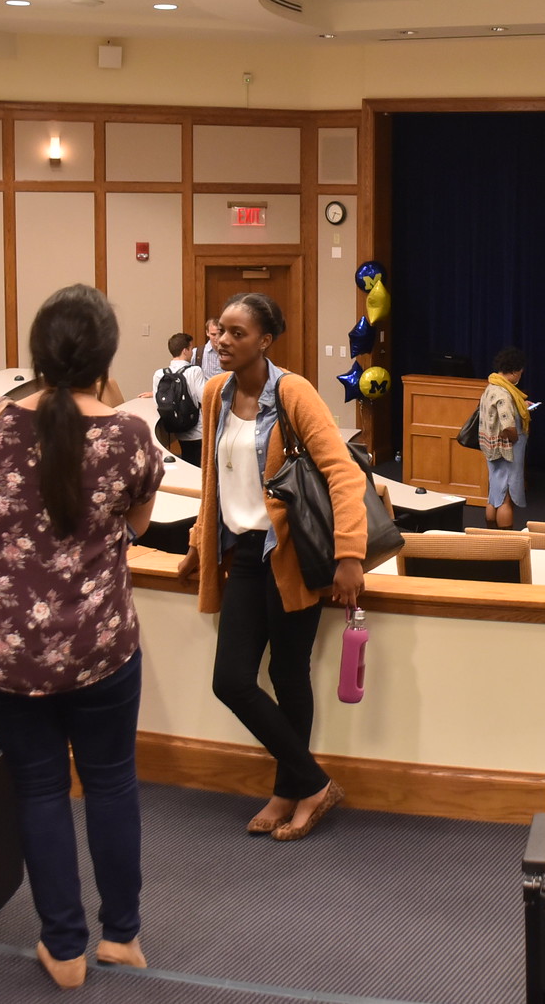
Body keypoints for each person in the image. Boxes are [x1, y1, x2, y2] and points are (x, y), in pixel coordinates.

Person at [0, 284, 161, 989]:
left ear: (36, 351)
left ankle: (64, 947)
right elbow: (137, 525)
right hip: (100, 647)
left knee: (38, 790)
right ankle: (123, 937)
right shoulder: (130, 433)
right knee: (110, 785)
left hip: (5, 650)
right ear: (104, 355)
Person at [185, 292, 366, 843]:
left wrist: (350, 555)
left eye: (237, 334)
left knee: (289, 675)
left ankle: (290, 790)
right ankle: (311, 783)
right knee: (232, 680)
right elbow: (213, 479)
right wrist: (198, 542)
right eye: (220, 331)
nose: (221, 341)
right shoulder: (214, 393)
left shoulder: (293, 392)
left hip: (289, 556)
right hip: (242, 554)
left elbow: (343, 473)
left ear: (265, 341)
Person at [478, 347, 530, 528]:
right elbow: (508, 425)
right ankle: (505, 541)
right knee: (506, 498)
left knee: (494, 494)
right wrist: (515, 438)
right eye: (520, 373)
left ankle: (490, 535)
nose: (519, 377)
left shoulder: (491, 386)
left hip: (490, 448)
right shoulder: (504, 394)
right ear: (514, 371)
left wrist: (521, 405)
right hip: (506, 451)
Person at [143, 331, 206, 466]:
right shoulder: (194, 371)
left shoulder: (159, 374)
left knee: (187, 459)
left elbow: (157, 400)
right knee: (198, 465)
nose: (192, 352)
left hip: (174, 427)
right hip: (196, 428)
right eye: (191, 348)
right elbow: (204, 398)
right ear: (185, 350)